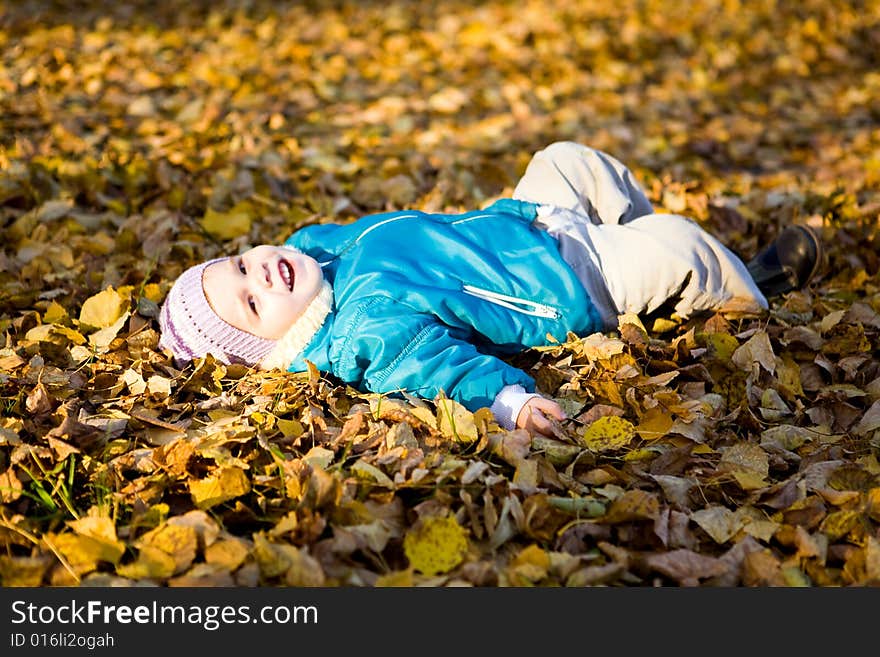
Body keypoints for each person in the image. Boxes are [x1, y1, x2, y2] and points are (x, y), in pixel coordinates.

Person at [157, 142, 822, 437]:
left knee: (568, 159)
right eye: (251, 302)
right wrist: (508, 400)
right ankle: (749, 286)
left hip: (523, 220)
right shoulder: (363, 332)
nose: (261, 273)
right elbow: (436, 368)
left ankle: (642, 243)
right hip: (568, 282)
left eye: (243, 263)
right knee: (678, 247)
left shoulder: (314, 251)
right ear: (275, 347)